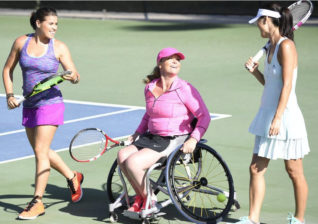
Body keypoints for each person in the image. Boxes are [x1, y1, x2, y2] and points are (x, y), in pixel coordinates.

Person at [2, 7, 84, 220]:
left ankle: (37, 202)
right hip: (29, 104)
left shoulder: (59, 47)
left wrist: (72, 77)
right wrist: (9, 94)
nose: (55, 28)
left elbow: (75, 75)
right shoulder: (21, 42)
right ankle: (72, 176)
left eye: (56, 24)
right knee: (43, 151)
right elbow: (7, 69)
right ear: (38, 23)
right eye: (51, 23)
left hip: (51, 104)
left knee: (40, 150)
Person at [237, 3, 310, 224]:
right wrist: (255, 72)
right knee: (256, 169)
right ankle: (253, 219)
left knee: (293, 170)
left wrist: (278, 117)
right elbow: (271, 85)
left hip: (285, 117)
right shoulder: (270, 47)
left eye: (258, 23)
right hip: (268, 115)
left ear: (267, 21)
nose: (257, 27)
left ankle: (299, 219)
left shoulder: (286, 47)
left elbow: (287, 86)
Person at [117, 47, 211, 213]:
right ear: (160, 64)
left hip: (173, 139)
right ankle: (142, 196)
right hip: (151, 137)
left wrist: (193, 139)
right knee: (122, 155)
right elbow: (149, 115)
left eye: (178, 59)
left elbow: (204, 116)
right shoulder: (150, 88)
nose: (175, 61)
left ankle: (149, 200)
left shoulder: (185, 89)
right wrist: (137, 133)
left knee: (133, 163)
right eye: (171, 58)